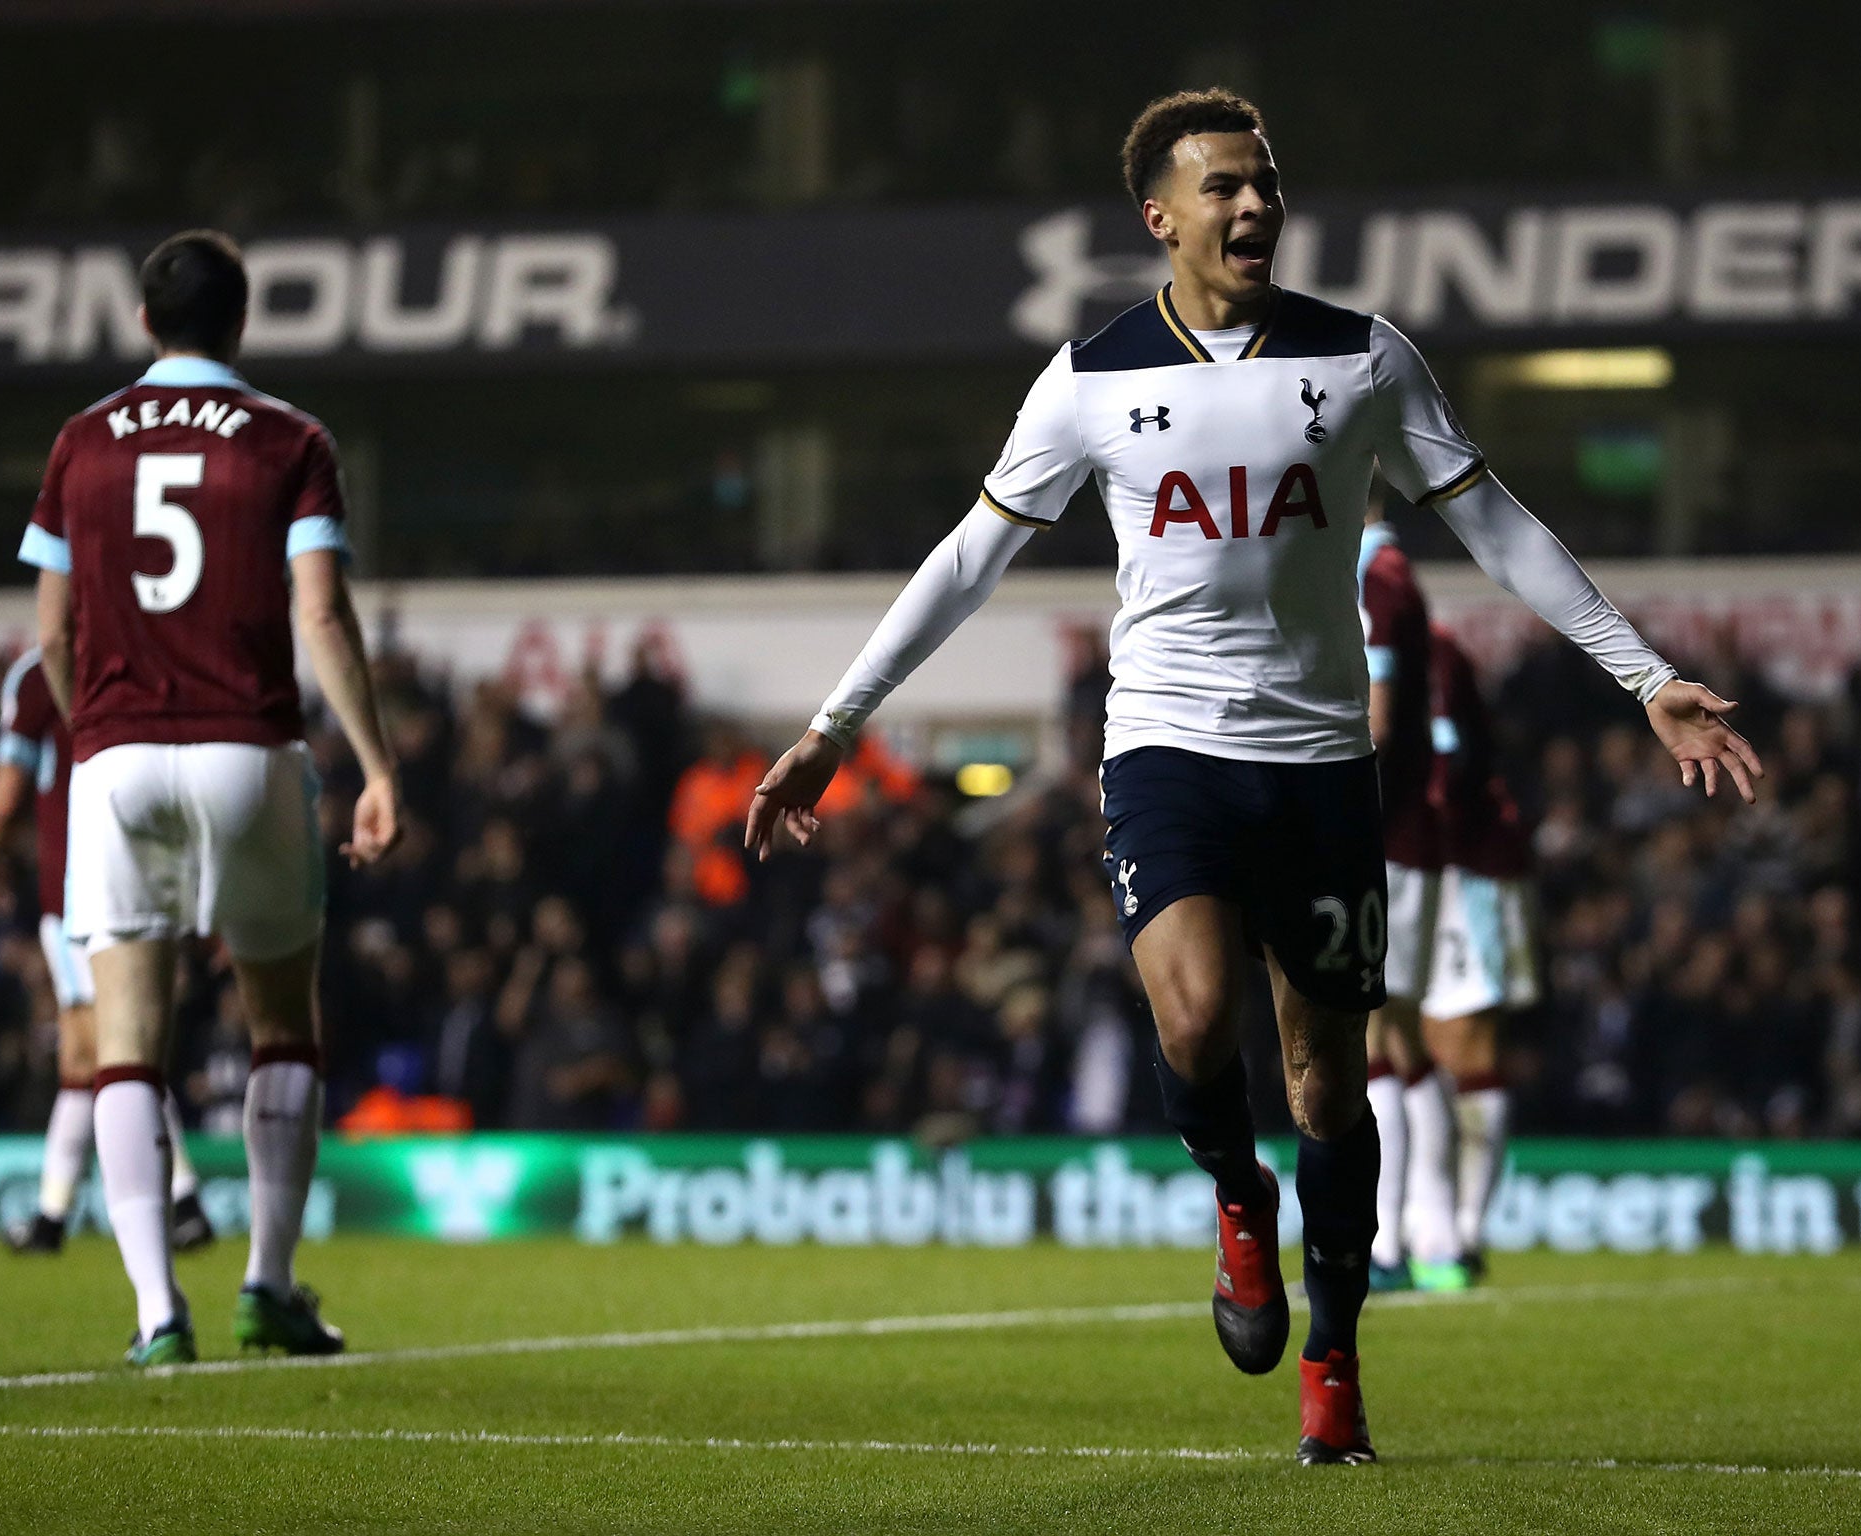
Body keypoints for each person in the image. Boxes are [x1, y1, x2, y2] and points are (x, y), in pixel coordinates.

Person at [743, 89, 1759, 1464]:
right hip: (1163, 747)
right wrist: (842, 719)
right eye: (1223, 188)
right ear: (1159, 217)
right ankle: (1236, 1201)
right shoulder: (1089, 380)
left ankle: (1333, 1357)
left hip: (1322, 763)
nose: (1253, 208)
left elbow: (1495, 524)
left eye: (1266, 184)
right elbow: (970, 557)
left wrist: (1642, 674)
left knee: (1331, 1084)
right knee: (1193, 1015)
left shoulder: (1362, 360)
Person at [20, 229, 402, 1366]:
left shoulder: (79, 444)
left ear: (144, 324)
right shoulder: (290, 438)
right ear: (241, 324)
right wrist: (379, 768)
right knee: (283, 1022)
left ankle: (155, 1314)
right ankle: (268, 1286)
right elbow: (321, 614)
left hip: (117, 754)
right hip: (249, 748)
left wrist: (92, 723)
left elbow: (52, 629)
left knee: (127, 1044)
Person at [0, 647, 214, 1255]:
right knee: (87, 1054)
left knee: (115, 1048)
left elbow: (7, 795)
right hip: (143, 878)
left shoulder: (39, 674)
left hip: (75, 895)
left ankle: (181, 1200)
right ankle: (53, 1214)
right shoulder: (145, 652)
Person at [1357, 504, 1468, 1293]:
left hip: (1385, 834)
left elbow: (1378, 719)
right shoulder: (1401, 574)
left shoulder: (1372, 574)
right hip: (1413, 834)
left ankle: (1390, 1244)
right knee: (1400, 1039)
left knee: (1372, 1036)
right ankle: (1439, 1237)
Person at [1421, 624, 1541, 1276]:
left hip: (1467, 868)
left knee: (1460, 1044)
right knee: (1401, 1047)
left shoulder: (1419, 642)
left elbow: (1448, 756)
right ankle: (1430, 1229)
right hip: (1408, 864)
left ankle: (1460, 1236)